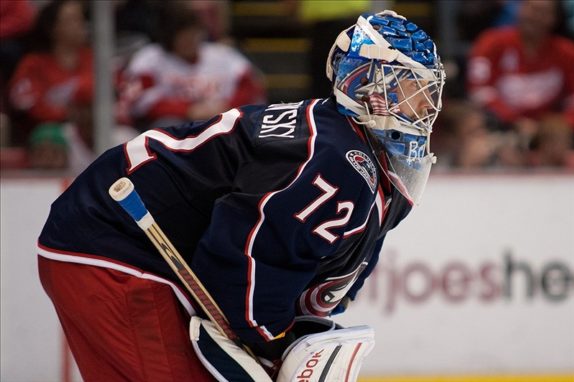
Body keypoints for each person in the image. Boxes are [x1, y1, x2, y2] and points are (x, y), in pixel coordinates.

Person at [37, 10, 445, 381]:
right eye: (414, 86)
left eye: (430, 88)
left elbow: (304, 270)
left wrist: (283, 333)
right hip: (114, 243)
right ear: (370, 85)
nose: (428, 103)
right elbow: (247, 253)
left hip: (114, 238)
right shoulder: (337, 159)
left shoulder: (352, 152)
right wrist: (266, 338)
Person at [118, 3, 266, 131]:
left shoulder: (223, 55)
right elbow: (139, 102)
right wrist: (187, 110)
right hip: (172, 130)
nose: (190, 40)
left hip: (222, 122)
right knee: (168, 124)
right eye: (183, 36)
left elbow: (251, 88)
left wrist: (228, 107)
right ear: (170, 36)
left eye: (194, 33)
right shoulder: (150, 58)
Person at [467, 0, 574, 140]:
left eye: (543, 12)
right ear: (520, 10)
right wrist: (514, 121)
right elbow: (479, 90)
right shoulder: (491, 42)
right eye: (532, 9)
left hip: (551, 131)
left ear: (555, 19)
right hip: (498, 125)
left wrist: (564, 122)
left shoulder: (566, 52)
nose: (535, 17)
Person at [8, 0, 94, 163]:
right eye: (72, 20)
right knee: (54, 141)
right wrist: (66, 113)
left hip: (92, 129)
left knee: (125, 137)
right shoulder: (33, 63)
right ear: (53, 28)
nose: (80, 25)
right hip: (50, 130)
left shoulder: (93, 59)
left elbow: (113, 95)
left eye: (81, 18)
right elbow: (26, 104)